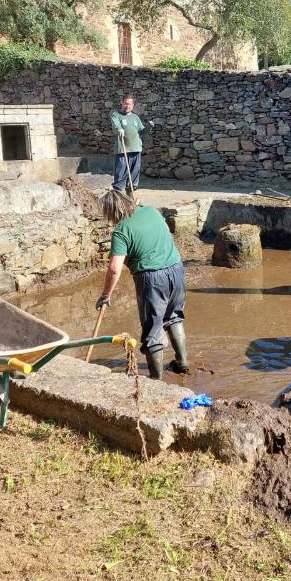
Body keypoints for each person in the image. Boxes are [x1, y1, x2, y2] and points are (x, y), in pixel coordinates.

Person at [94, 190, 188, 379]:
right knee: (174, 317)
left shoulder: (121, 231)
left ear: (111, 212)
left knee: (152, 330)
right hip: (176, 269)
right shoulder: (151, 211)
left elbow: (114, 269)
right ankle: (182, 362)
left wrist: (106, 295)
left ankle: (155, 380)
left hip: (152, 279)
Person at [109, 93, 150, 194]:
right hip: (123, 149)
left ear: (133, 105)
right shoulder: (116, 115)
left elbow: (142, 131)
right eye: (125, 104)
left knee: (134, 173)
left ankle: (131, 193)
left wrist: (149, 127)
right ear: (122, 103)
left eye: (129, 104)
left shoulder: (135, 117)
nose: (127, 106)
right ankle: (118, 193)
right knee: (121, 172)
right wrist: (119, 129)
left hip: (136, 148)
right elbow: (115, 125)